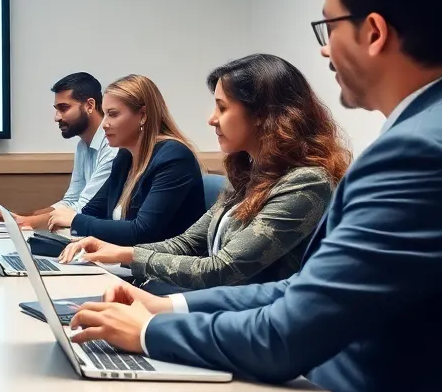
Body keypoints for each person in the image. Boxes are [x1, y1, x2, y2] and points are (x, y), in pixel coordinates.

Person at [69, 0, 442, 392]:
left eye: (328, 26)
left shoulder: (415, 154)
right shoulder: (416, 135)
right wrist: (168, 305)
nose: (323, 46)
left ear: (375, 32)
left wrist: (150, 332)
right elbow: (301, 290)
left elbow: (288, 335)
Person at [59, 54, 349, 290]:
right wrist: (117, 251)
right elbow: (188, 242)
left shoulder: (306, 183)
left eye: (222, 108)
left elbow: (224, 268)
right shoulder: (249, 175)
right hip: (222, 304)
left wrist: (130, 256)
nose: (211, 119)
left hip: (254, 324)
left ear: (263, 115)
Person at [48, 74, 206, 246]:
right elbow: (92, 210)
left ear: (143, 115)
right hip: (123, 263)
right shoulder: (124, 156)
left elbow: (142, 231)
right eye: (105, 114)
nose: (104, 124)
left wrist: (76, 221)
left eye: (113, 115)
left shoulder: (174, 157)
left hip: (161, 269)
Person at [0, 72, 118, 229]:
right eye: (57, 109)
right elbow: (70, 201)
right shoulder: (82, 146)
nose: (57, 117)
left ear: (90, 105)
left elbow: (84, 209)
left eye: (64, 108)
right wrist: (22, 216)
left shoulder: (112, 147)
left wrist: (27, 222)